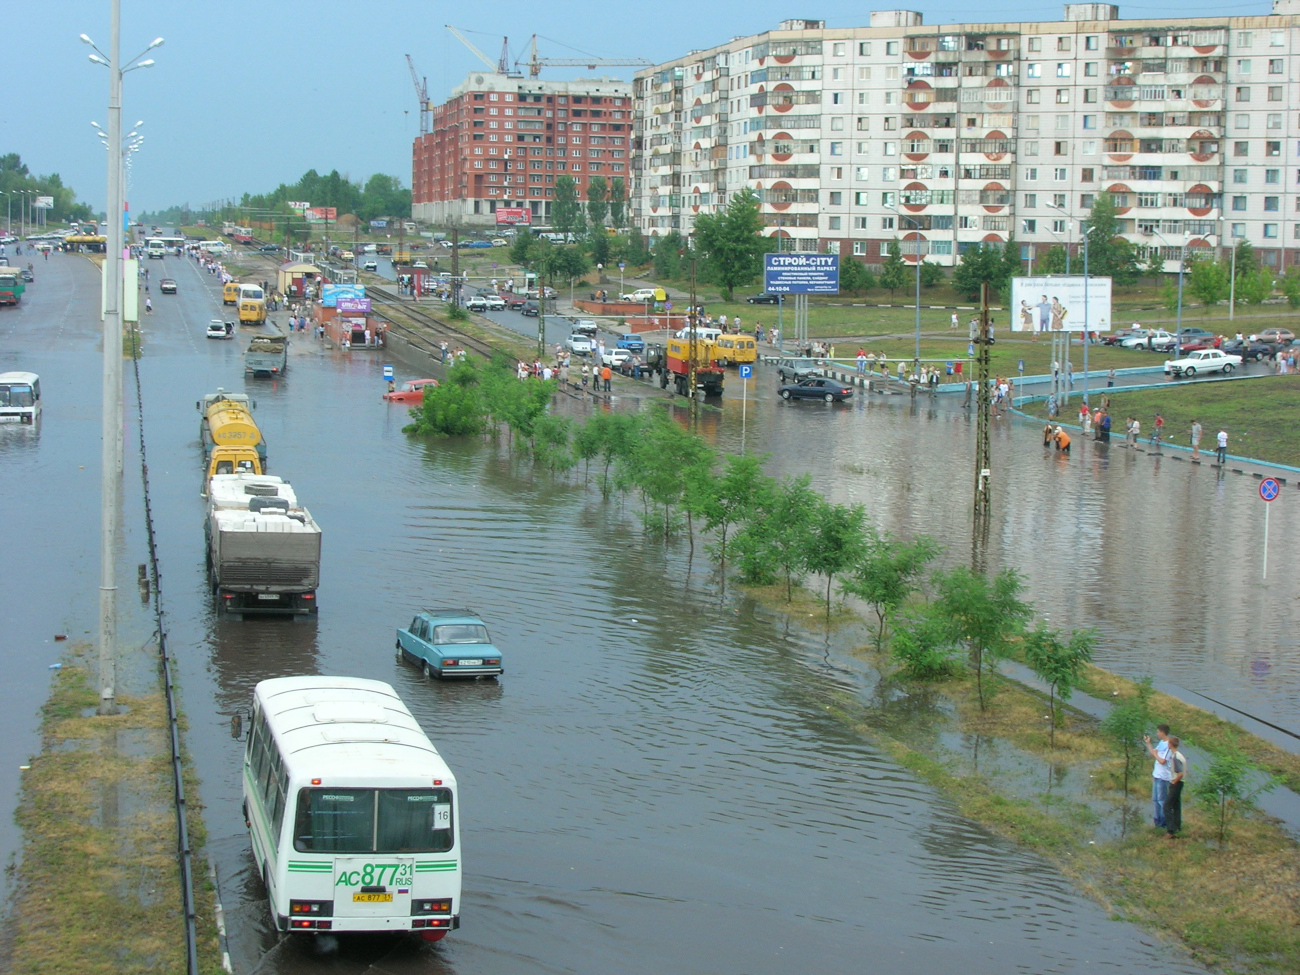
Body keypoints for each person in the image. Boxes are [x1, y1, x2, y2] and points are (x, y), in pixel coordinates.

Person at [1144, 725, 1172, 829]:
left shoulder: (1168, 745)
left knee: (1161, 800)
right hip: (1156, 775)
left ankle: (1164, 822)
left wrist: (1156, 755)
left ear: (1163, 732)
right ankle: (1157, 820)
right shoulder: (1161, 743)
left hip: (1163, 777)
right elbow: (1153, 753)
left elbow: (1162, 761)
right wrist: (1148, 743)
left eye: (1158, 732)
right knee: (1155, 799)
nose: (1157, 734)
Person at [1163, 736, 1187, 838]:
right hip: (1181, 783)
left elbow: (1180, 773)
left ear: (1170, 745)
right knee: (1176, 805)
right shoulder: (1180, 755)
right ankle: (1177, 826)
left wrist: (1173, 783)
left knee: (1167, 806)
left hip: (1177, 783)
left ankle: (1170, 831)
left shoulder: (1175, 757)